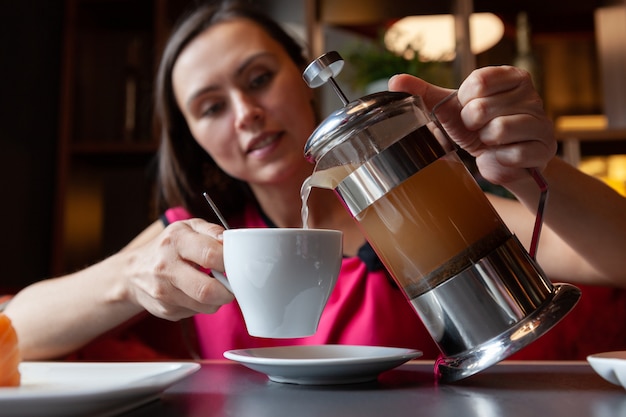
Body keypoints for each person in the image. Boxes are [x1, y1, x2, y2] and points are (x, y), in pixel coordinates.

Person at [5, 0, 626, 361]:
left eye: (256, 80)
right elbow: (14, 333)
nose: (245, 113)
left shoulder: (413, 203)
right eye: (211, 107)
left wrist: (530, 171)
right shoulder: (189, 241)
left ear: (305, 87)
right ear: (193, 138)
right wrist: (125, 277)